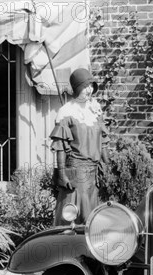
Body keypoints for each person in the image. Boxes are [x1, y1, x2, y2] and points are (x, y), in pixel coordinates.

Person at [50, 68, 109, 225]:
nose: (89, 90)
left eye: (91, 86)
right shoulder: (66, 111)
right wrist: (62, 175)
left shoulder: (95, 110)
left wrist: (107, 166)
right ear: (77, 88)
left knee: (93, 221)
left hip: (94, 174)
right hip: (76, 174)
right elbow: (60, 146)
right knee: (74, 219)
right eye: (85, 86)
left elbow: (102, 141)